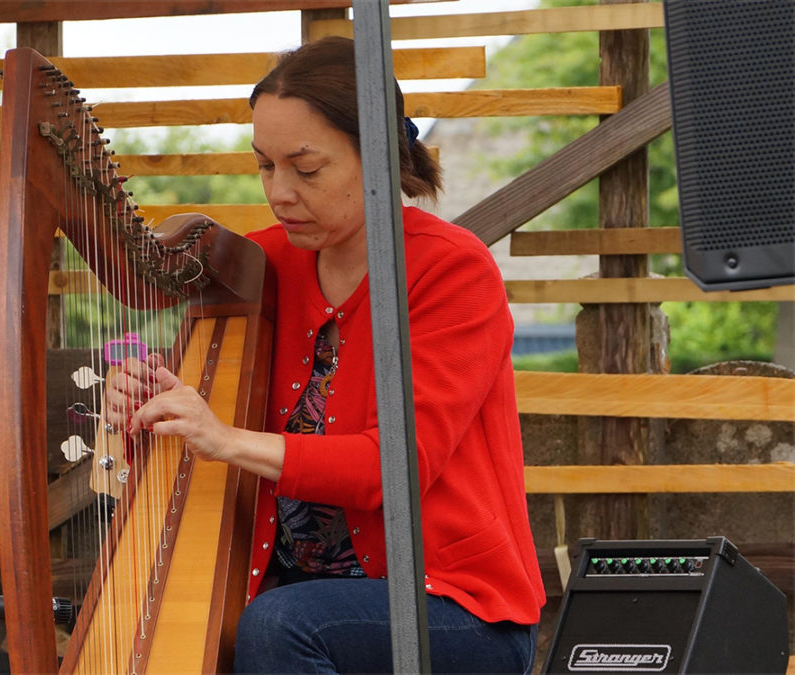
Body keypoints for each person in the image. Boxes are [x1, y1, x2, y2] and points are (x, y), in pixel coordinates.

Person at [110, 36, 545, 674]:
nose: (280, 192)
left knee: (280, 625)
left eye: (305, 169)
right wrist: (154, 411)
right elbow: (204, 441)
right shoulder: (258, 270)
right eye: (265, 166)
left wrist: (225, 438)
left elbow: (391, 469)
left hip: (452, 608)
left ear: (377, 158)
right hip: (291, 591)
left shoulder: (451, 271)